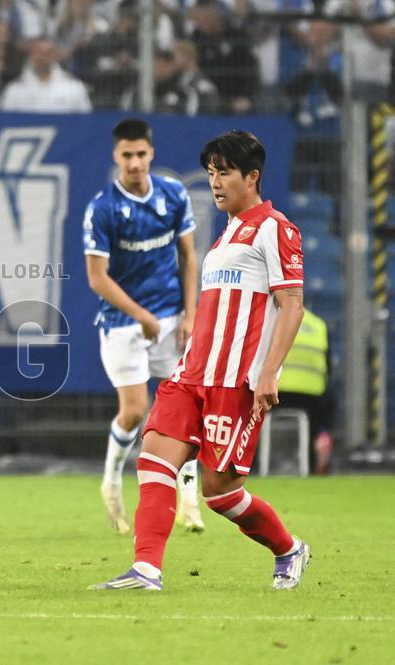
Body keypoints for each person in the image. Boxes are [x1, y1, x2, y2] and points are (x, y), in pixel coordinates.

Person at [93, 130, 311, 591]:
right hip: (192, 375)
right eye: (211, 173)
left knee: (219, 493)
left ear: (252, 177)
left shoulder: (274, 228)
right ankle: (146, 570)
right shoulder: (226, 234)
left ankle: (289, 548)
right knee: (153, 459)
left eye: (225, 172)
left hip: (236, 383)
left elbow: (291, 303)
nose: (215, 182)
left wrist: (269, 372)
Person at [83, 118, 204, 536]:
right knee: (135, 412)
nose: (135, 162)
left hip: (172, 318)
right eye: (126, 155)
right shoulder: (103, 209)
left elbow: (189, 257)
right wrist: (142, 316)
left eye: (141, 154)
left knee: (183, 410)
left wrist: (191, 313)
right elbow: (97, 279)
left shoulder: (173, 195)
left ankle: (189, 499)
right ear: (116, 156)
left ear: (151, 153)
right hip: (123, 323)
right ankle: (112, 483)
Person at [278, 307, 333, 474]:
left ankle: (254, 463)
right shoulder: (319, 325)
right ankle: (318, 447)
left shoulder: (273, 320)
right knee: (319, 421)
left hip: (277, 393)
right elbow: (328, 367)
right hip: (312, 397)